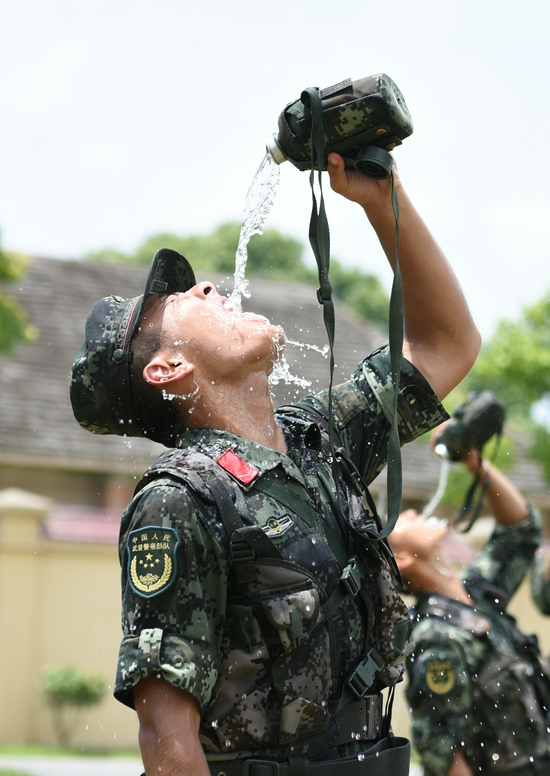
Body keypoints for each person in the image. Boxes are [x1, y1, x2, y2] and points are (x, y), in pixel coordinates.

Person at [70, 152, 480, 776]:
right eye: (181, 299)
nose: (207, 287)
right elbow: (164, 729)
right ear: (168, 369)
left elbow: (447, 343)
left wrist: (383, 200)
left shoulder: (322, 439)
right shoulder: (182, 498)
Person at [390, 443, 550, 776]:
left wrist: (474, 463)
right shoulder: (436, 638)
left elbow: (521, 530)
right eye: (399, 520)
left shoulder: (477, 594)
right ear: (402, 560)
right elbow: (446, 755)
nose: (408, 512)